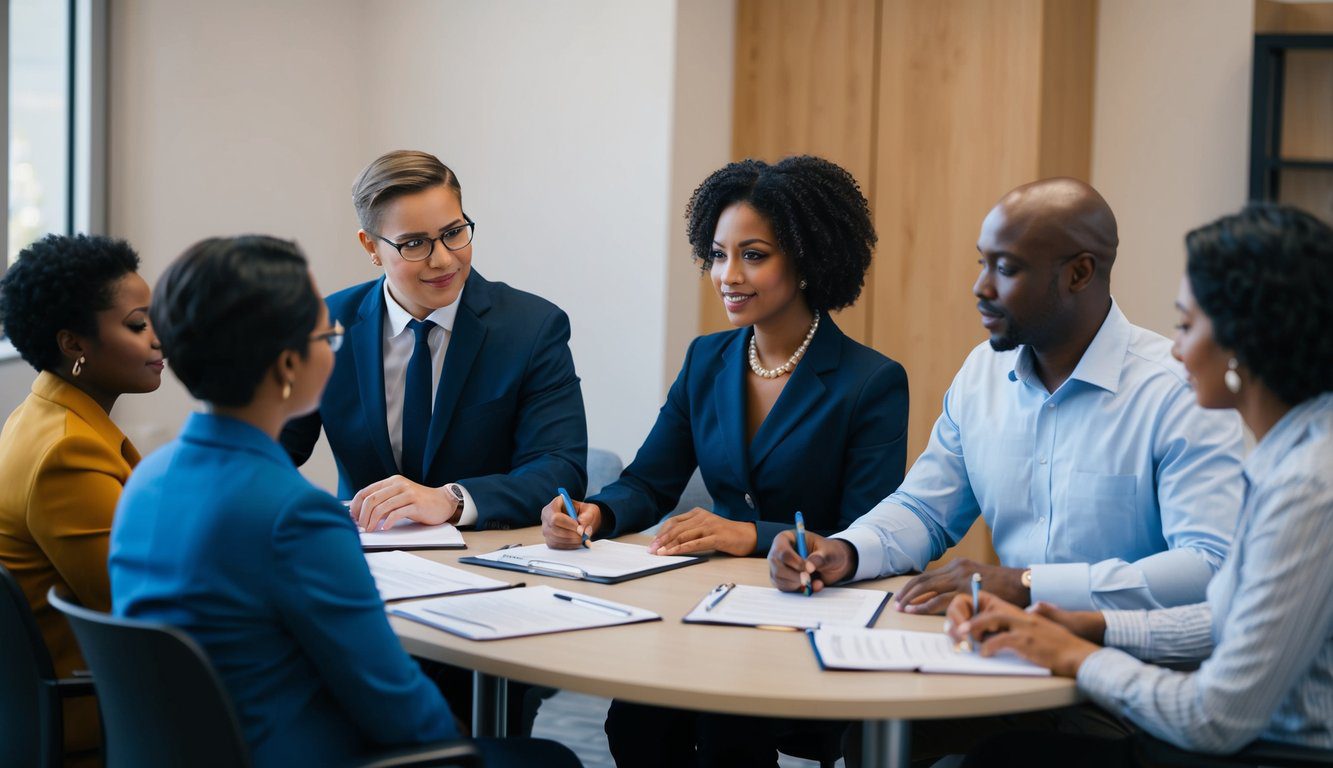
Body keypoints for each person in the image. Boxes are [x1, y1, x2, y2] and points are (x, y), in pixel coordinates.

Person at [109, 235, 579, 768]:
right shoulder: (293, 515)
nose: (338, 341)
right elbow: (403, 711)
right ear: (289, 366)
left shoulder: (145, 480)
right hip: (291, 751)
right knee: (546, 760)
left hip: (188, 749)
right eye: (327, 335)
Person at [543, 156, 909, 767]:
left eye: (754, 255)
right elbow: (648, 481)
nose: (727, 275)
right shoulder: (707, 359)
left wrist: (750, 536)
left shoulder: (870, 382)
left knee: (724, 730)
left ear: (807, 258)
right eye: (717, 254)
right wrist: (595, 515)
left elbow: (866, 534)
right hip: (706, 606)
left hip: (811, 614)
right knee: (634, 719)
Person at [948, 203, 1333, 766]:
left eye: (1185, 324)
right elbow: (1235, 620)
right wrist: (1091, 625)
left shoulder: (1307, 485)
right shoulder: (1291, 452)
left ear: (1241, 343)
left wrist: (1078, 657)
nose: (1176, 350)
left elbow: (1215, 717)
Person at [770, 178, 1245, 616]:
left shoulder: (1177, 392)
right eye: (983, 263)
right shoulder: (983, 373)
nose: (981, 287)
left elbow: (1208, 565)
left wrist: (1029, 584)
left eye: (1007, 268)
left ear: (1079, 274)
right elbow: (925, 510)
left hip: (1126, 669)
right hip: (1005, 652)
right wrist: (848, 551)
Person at [280, 149, 587, 532]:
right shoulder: (326, 326)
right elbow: (269, 449)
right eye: (413, 244)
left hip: (487, 558)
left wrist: (452, 499)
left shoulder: (533, 327)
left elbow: (560, 469)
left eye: (453, 233)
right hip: (363, 554)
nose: (443, 260)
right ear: (371, 247)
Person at [0, 234, 163, 764]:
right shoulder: (66, 452)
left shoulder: (42, 416)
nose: (159, 339)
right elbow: (139, 608)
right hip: (91, 716)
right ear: (74, 344)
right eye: (138, 325)